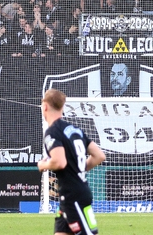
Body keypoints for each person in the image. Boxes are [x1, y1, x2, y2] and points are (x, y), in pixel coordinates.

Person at [38, 88, 106, 235]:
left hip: (72, 196)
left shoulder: (53, 132)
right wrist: (78, 169)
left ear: (45, 106)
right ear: (62, 107)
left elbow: (59, 162)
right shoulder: (75, 130)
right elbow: (99, 155)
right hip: (75, 194)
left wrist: (43, 165)